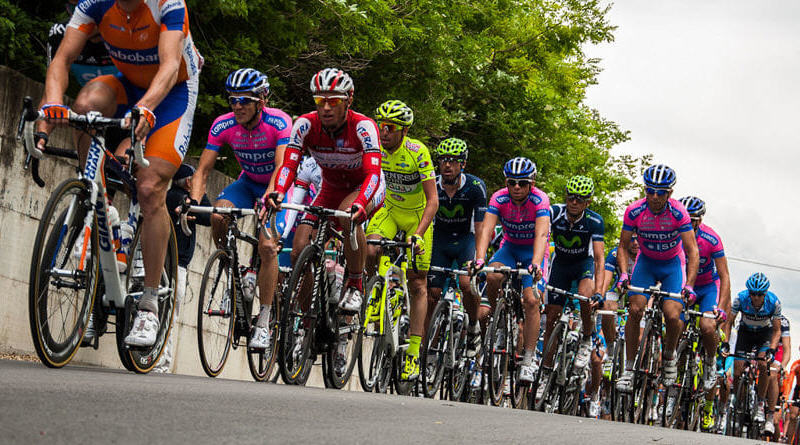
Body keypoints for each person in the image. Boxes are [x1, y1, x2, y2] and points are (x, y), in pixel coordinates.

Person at [39, 0, 203, 347]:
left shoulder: (168, 4)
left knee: (149, 189)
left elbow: (171, 64)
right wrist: (52, 102)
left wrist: (146, 107)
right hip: (127, 83)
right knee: (83, 107)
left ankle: (149, 304)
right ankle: (94, 191)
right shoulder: (94, 4)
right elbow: (61, 59)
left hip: (172, 90)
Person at [269, 68, 385, 369]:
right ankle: (308, 321)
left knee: (348, 218)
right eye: (321, 99)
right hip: (331, 188)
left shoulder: (364, 128)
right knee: (298, 251)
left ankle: (356, 284)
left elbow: (373, 173)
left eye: (334, 100)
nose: (326, 106)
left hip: (364, 187)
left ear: (348, 100)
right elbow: (289, 166)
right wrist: (279, 192)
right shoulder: (305, 125)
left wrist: (360, 204)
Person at [191, 68, 291, 352]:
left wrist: (272, 196)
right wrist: (196, 201)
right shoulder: (223, 125)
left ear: (261, 100)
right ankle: (231, 273)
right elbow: (203, 170)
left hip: (278, 185)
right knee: (218, 213)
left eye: (245, 100)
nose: (237, 105)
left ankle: (264, 320)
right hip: (247, 183)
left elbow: (281, 167)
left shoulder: (279, 121)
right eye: (233, 99)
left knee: (268, 246)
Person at [364, 100, 438, 380]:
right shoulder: (376, 149)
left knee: (418, 282)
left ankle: (413, 354)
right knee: (371, 247)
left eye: (390, 128)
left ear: (404, 130)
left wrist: (418, 233)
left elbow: (433, 200)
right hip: (391, 210)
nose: (384, 132)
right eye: (381, 126)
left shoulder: (418, 152)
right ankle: (375, 290)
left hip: (418, 216)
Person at [615, 164, 700, 392]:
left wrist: (690, 285)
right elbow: (623, 246)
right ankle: (629, 368)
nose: (654, 196)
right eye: (649, 191)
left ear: (669, 193)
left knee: (673, 315)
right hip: (647, 263)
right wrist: (624, 273)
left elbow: (692, 251)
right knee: (634, 310)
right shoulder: (634, 211)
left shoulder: (679, 212)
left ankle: (670, 355)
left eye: (660, 192)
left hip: (672, 264)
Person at [471, 157, 550, 383]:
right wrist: (479, 258)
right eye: (512, 182)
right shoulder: (499, 197)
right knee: (492, 274)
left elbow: (541, 234)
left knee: (532, 300)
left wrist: (536, 263)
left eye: (522, 183)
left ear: (531, 183)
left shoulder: (539, 200)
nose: (516, 187)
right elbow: (486, 229)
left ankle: (528, 358)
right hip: (510, 247)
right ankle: (501, 318)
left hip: (533, 251)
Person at [428, 138, 487, 358]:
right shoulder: (432, 184)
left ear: (463, 164)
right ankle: (429, 345)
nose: (447, 165)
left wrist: (479, 258)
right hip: (440, 240)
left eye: (453, 161)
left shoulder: (475, 186)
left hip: (466, 239)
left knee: (466, 283)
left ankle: (473, 325)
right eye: (443, 160)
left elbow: (481, 228)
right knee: (432, 292)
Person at [677, 196, 731, 430]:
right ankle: (672, 391)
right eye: (687, 219)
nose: (690, 224)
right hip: (683, 284)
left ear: (701, 220)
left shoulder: (711, 238)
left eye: (694, 220)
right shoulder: (675, 234)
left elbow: (725, 276)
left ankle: (709, 363)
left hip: (708, 286)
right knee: (674, 326)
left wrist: (720, 307)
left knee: (708, 327)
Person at [543, 175, 605, 373]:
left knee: (585, 297)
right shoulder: (554, 212)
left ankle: (587, 337)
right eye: (571, 198)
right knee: (552, 316)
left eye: (580, 199)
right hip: (560, 264)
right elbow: (542, 237)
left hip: (582, 264)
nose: (574, 202)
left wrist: (600, 291)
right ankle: (545, 368)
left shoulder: (594, 221)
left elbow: (599, 259)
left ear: (588, 202)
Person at [153, 164, 211, 373]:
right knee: (169, 312)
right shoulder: (175, 198)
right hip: (175, 263)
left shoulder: (176, 197)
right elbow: (207, 215)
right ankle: (161, 360)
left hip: (172, 262)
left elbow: (206, 216)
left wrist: (197, 196)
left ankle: (159, 358)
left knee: (165, 311)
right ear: (188, 181)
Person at [723, 272, 782, 435]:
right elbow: (729, 322)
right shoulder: (740, 298)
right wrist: (726, 343)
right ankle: (740, 403)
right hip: (745, 333)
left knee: (764, 365)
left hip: (764, 335)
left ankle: (761, 404)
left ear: (765, 294)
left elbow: (777, 331)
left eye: (759, 294)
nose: (755, 298)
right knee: (738, 368)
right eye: (753, 294)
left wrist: (771, 349)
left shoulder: (774, 302)